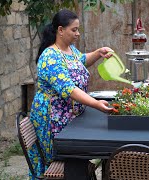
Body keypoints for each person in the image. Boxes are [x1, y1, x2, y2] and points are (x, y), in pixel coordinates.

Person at [28, 9, 113, 178]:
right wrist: (96, 104)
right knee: (76, 156)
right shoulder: (50, 57)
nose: (78, 34)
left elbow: (80, 60)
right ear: (60, 30)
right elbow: (68, 89)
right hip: (54, 120)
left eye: (78, 29)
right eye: (74, 30)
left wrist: (97, 53)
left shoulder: (70, 50)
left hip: (72, 118)